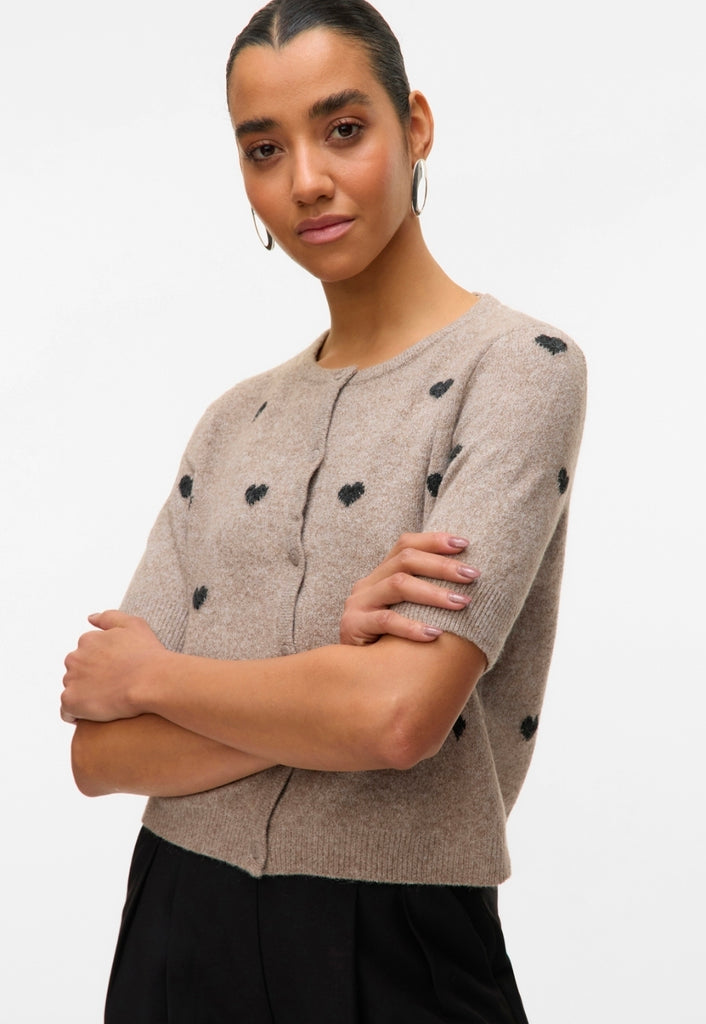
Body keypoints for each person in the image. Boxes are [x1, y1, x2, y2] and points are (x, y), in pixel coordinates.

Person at [61, 1, 587, 1020]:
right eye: (264, 148)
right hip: (174, 929)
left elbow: (395, 720)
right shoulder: (232, 422)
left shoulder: (520, 371)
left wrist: (159, 678)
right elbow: (101, 753)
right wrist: (332, 681)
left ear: (414, 125)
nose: (304, 179)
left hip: (395, 944)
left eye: (342, 129)